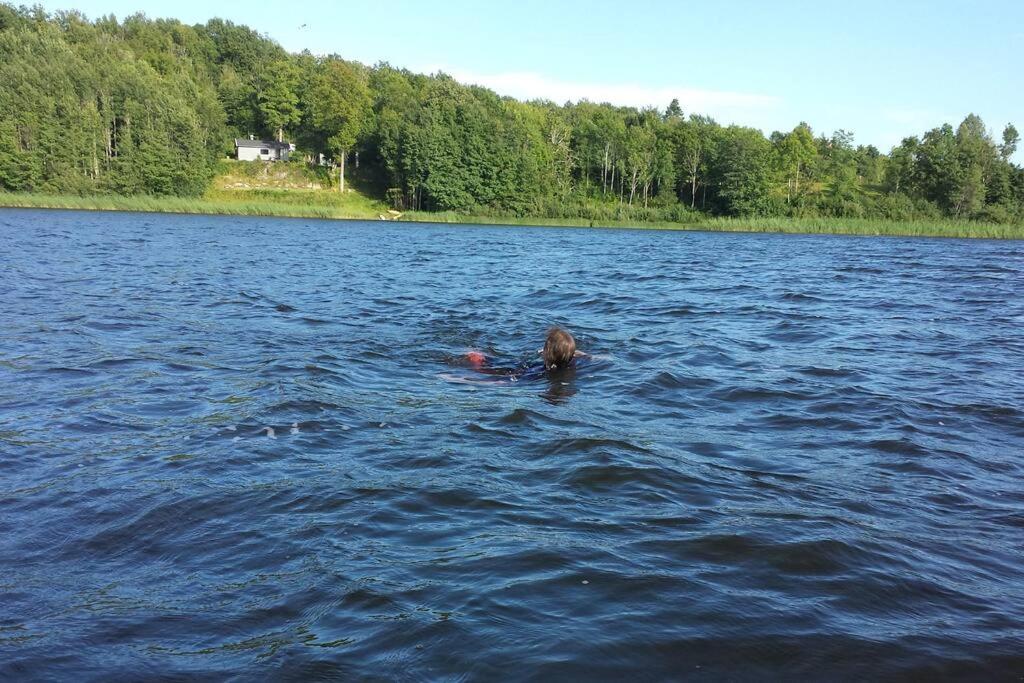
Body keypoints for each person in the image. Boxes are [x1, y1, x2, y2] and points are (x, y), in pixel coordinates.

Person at [464, 327, 583, 377]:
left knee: (491, 365)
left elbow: (510, 379)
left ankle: (478, 361)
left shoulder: (538, 372)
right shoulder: (573, 363)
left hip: (521, 373)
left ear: (547, 353)